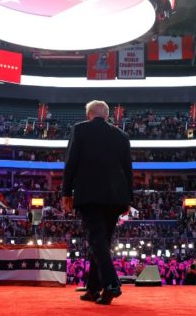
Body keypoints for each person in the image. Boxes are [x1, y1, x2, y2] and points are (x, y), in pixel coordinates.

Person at [62, 100, 133, 305]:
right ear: (107, 116)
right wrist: (128, 198)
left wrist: (66, 192)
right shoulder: (122, 135)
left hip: (90, 195)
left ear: (88, 115)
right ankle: (93, 288)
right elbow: (128, 169)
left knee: (96, 239)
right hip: (116, 197)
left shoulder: (80, 130)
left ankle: (111, 284)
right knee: (101, 241)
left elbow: (71, 162)